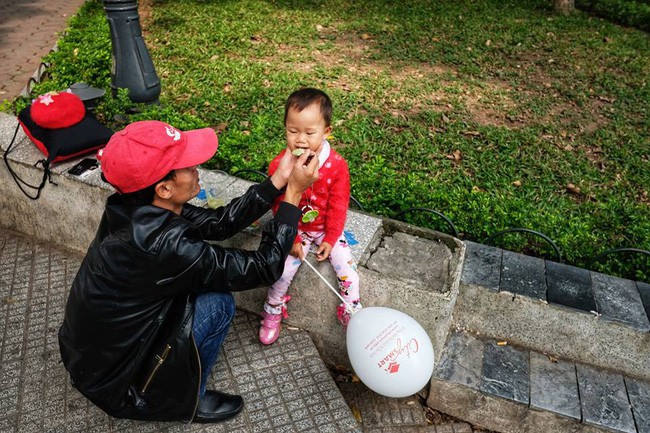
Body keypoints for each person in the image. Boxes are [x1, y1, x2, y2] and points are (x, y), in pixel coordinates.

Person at [57, 120, 319, 423]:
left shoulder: (134, 204)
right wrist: (293, 197)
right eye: (187, 165)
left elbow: (218, 223)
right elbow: (265, 267)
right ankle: (186, 399)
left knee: (199, 290)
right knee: (219, 303)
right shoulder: (166, 245)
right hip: (121, 386)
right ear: (164, 187)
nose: (197, 167)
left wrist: (277, 181)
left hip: (87, 359)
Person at [259, 88, 362, 346]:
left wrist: (331, 237)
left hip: (325, 229)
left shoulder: (336, 165)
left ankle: (351, 309)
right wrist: (291, 237)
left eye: (309, 132)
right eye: (293, 131)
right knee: (281, 273)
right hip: (295, 228)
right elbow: (278, 205)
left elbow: (339, 205)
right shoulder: (279, 165)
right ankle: (272, 309)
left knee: (349, 274)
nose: (300, 140)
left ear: (326, 131)